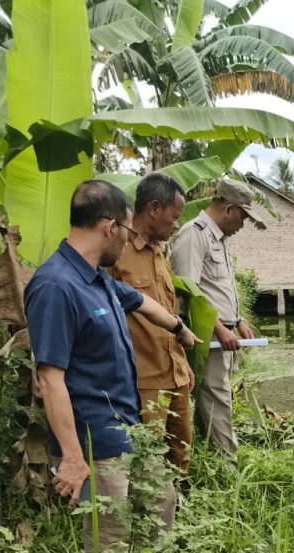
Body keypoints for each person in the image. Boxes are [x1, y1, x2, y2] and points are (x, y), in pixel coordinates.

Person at [25, 180, 200, 553]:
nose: (127, 241)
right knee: (111, 539)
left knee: (161, 500)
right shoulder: (56, 285)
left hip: (129, 429)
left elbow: (141, 302)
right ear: (110, 228)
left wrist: (179, 328)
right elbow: (50, 379)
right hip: (95, 441)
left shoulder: (98, 278)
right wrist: (72, 456)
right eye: (127, 231)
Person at [170, 177, 263, 458]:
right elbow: (188, 290)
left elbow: (219, 288)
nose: (242, 225)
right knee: (218, 397)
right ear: (229, 209)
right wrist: (219, 328)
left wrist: (240, 321)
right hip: (208, 334)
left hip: (223, 331)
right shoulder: (194, 235)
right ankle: (228, 464)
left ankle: (210, 455)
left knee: (214, 397)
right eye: (243, 218)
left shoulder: (218, 238)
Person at [110, 173, 195, 475]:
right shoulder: (117, 255)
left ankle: (181, 519)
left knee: (181, 454)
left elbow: (170, 313)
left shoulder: (161, 252)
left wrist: (184, 366)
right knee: (147, 462)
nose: (176, 224)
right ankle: (149, 521)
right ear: (154, 209)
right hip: (144, 381)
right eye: (175, 217)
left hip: (176, 376)